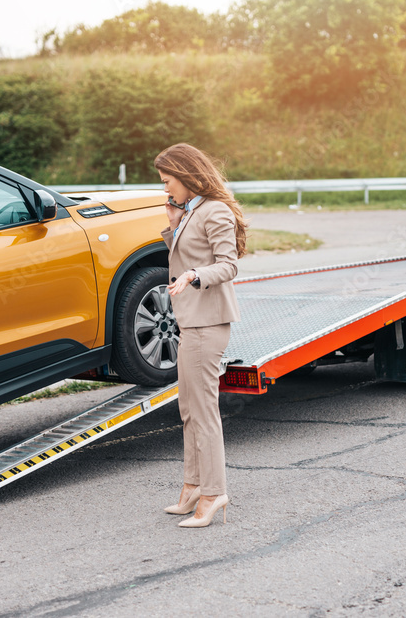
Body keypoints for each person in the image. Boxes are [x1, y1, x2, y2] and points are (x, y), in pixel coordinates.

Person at [155, 143, 247, 527]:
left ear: (186, 174)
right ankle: (192, 485)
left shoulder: (216, 211)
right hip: (190, 321)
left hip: (208, 323)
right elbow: (182, 252)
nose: (165, 190)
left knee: (205, 411)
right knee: (188, 408)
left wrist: (195, 276)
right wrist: (173, 224)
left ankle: (214, 493)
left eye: (167, 181)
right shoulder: (189, 210)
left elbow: (228, 265)